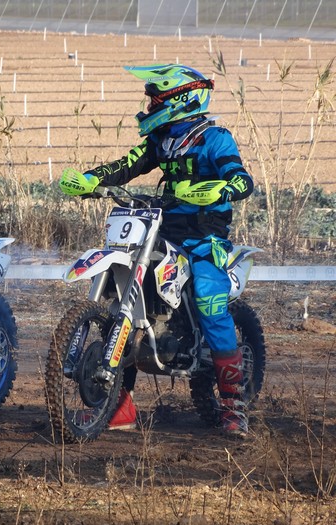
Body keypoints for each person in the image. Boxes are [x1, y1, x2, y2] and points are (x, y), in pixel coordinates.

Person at [59, 64, 254, 435]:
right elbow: (125, 166)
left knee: (209, 298)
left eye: (156, 99)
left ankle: (234, 405)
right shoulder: (161, 140)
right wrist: (89, 180)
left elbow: (242, 179)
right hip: (161, 230)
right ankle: (118, 407)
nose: (149, 105)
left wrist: (220, 189)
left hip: (203, 235)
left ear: (181, 100)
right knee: (127, 300)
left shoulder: (215, 139)